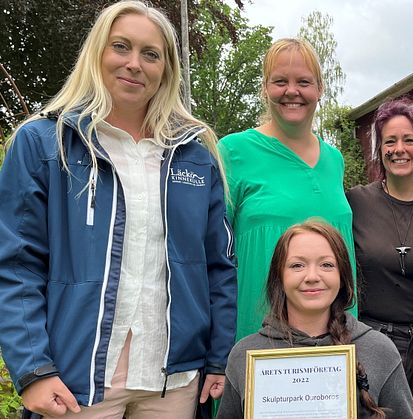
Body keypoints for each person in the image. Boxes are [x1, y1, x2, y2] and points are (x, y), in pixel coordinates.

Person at [0, 1, 236, 418]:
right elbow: (17, 265)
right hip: (77, 382)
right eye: (121, 47)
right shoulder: (43, 144)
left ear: (167, 68)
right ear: (97, 53)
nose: (134, 64)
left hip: (173, 382)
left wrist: (218, 357)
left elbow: (218, 265)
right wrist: (33, 370)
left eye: (151, 54)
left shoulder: (195, 157)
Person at [219, 38, 356, 341]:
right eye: (280, 81)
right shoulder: (233, 151)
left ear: (319, 89)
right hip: (259, 337)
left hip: (333, 336)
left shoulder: (334, 159)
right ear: (265, 88)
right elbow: (214, 254)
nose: (292, 91)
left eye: (303, 82)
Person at [217, 220, 413, 419]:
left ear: (342, 277)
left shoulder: (380, 350)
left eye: (326, 265)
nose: (312, 276)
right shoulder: (244, 356)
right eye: (297, 265)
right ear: (279, 278)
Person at [346, 97, 413, 418]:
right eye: (390, 141)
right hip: (368, 343)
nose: (399, 149)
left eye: (409, 140)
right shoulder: (356, 202)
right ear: (379, 150)